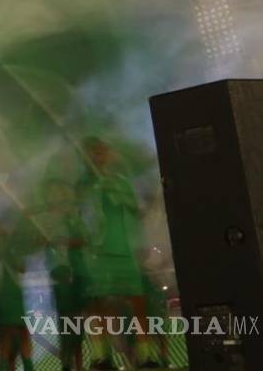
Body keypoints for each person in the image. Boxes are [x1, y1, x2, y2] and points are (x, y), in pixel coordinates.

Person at [80, 137, 160, 369]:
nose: (100, 156)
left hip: (124, 250)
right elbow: (79, 215)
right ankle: (102, 358)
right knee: (99, 306)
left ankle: (145, 358)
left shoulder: (121, 182)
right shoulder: (83, 185)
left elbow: (136, 213)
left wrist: (141, 243)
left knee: (138, 304)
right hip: (98, 254)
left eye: (103, 151)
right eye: (94, 153)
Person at [0, 216, 34, 371]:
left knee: (8, 343)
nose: (0, 228)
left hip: (7, 298)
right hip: (8, 297)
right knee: (18, 342)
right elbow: (21, 267)